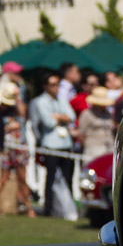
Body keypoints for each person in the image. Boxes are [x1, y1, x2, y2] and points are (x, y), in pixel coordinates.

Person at [29, 74, 77, 216]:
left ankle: (68, 209)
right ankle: (49, 209)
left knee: (68, 177)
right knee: (50, 178)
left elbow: (72, 116)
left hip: (65, 143)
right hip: (50, 145)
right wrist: (62, 117)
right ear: (45, 86)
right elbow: (47, 122)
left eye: (57, 84)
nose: (56, 88)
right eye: (53, 84)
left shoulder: (61, 100)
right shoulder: (39, 102)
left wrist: (57, 116)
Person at [0, 81, 34, 217]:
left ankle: (28, 207)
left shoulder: (16, 108)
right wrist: (8, 127)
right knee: (3, 178)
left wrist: (17, 97)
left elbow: (23, 115)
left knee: (22, 178)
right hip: (6, 147)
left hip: (19, 146)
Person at [77, 86, 116, 161]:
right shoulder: (86, 114)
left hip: (109, 147)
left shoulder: (108, 113)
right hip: (93, 149)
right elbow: (81, 134)